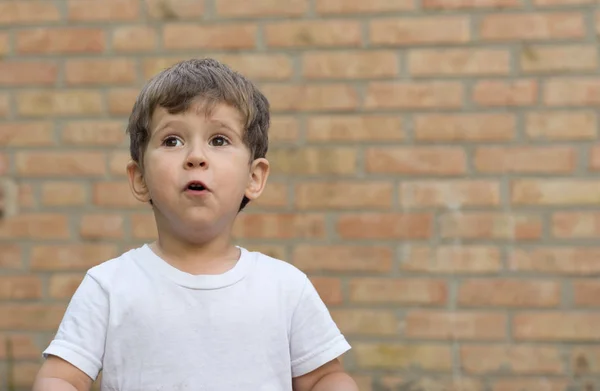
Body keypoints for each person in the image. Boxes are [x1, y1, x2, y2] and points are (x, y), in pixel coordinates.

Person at [32, 58, 358, 391]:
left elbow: (324, 377)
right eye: (172, 140)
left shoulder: (285, 288)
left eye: (219, 140)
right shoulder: (109, 287)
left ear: (254, 177)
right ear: (140, 178)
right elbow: (61, 377)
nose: (195, 156)